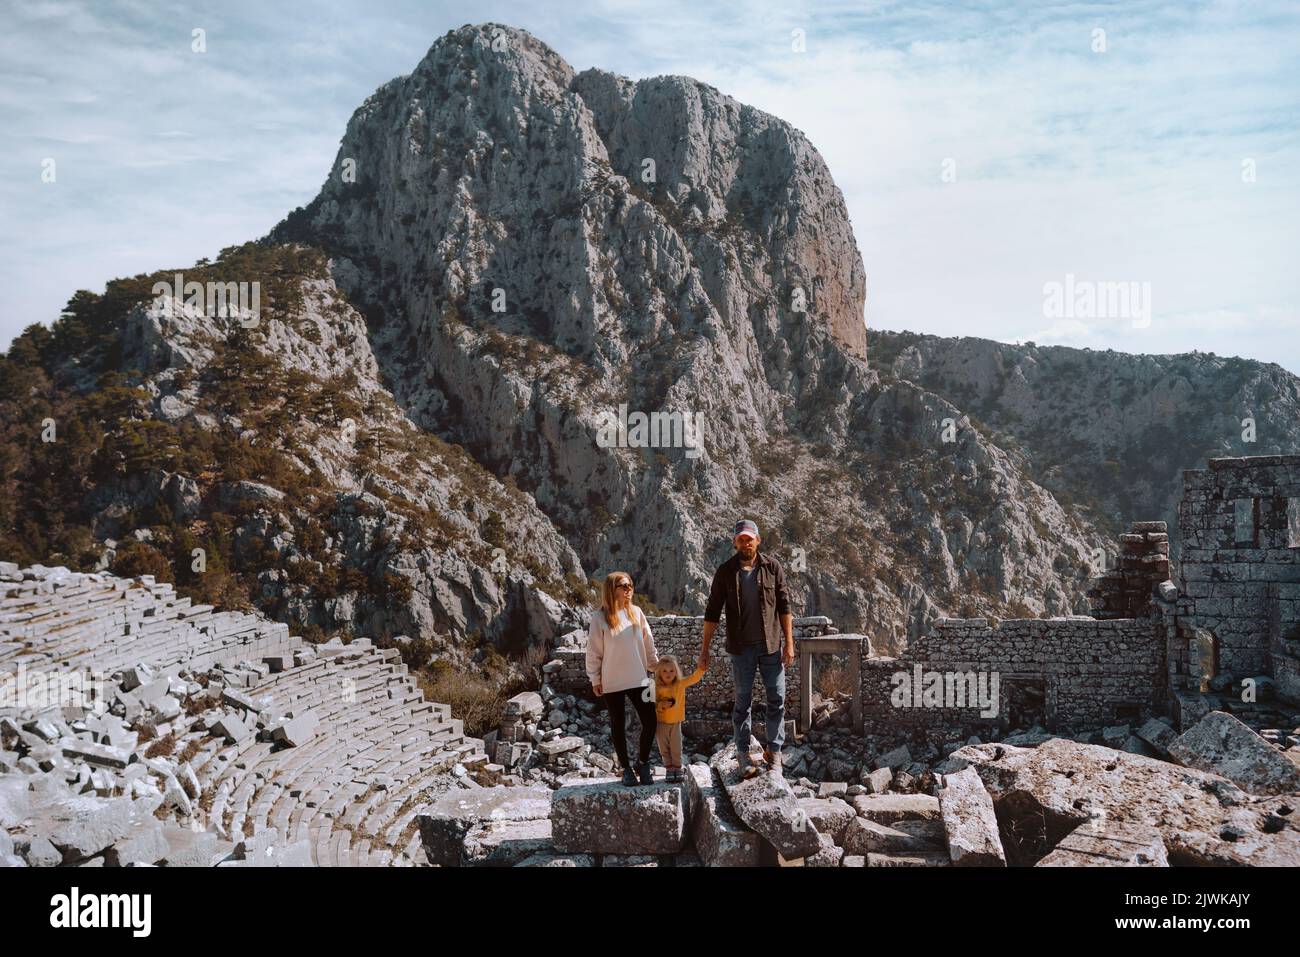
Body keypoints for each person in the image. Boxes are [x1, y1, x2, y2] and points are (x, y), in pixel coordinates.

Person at [699, 519, 795, 778]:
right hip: (741, 649)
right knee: (742, 702)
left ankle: (774, 752)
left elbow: (785, 607)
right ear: (735, 542)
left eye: (749, 538)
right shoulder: (725, 572)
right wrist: (704, 650)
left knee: (776, 698)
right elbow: (712, 612)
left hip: (771, 646)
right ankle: (743, 754)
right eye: (741, 538)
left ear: (758, 540)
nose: (745, 542)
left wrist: (789, 643)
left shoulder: (773, 568)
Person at [585, 571, 660, 786]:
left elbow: (648, 644)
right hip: (612, 681)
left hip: (640, 678)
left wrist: (656, 668)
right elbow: (593, 652)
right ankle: (626, 769)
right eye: (623, 585)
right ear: (612, 589)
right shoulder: (599, 618)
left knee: (651, 720)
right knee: (617, 725)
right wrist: (595, 679)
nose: (629, 589)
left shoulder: (637, 612)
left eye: (630, 585)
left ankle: (643, 763)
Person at [652, 654, 705, 783]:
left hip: (675, 723)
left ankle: (677, 768)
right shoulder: (655, 687)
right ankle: (669, 770)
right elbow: (651, 705)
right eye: (664, 671)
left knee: (676, 747)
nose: (668, 674)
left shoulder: (680, 684)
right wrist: (660, 705)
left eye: (671, 671)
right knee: (663, 748)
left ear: (676, 672)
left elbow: (694, 678)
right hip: (660, 723)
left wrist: (701, 669)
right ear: (659, 673)